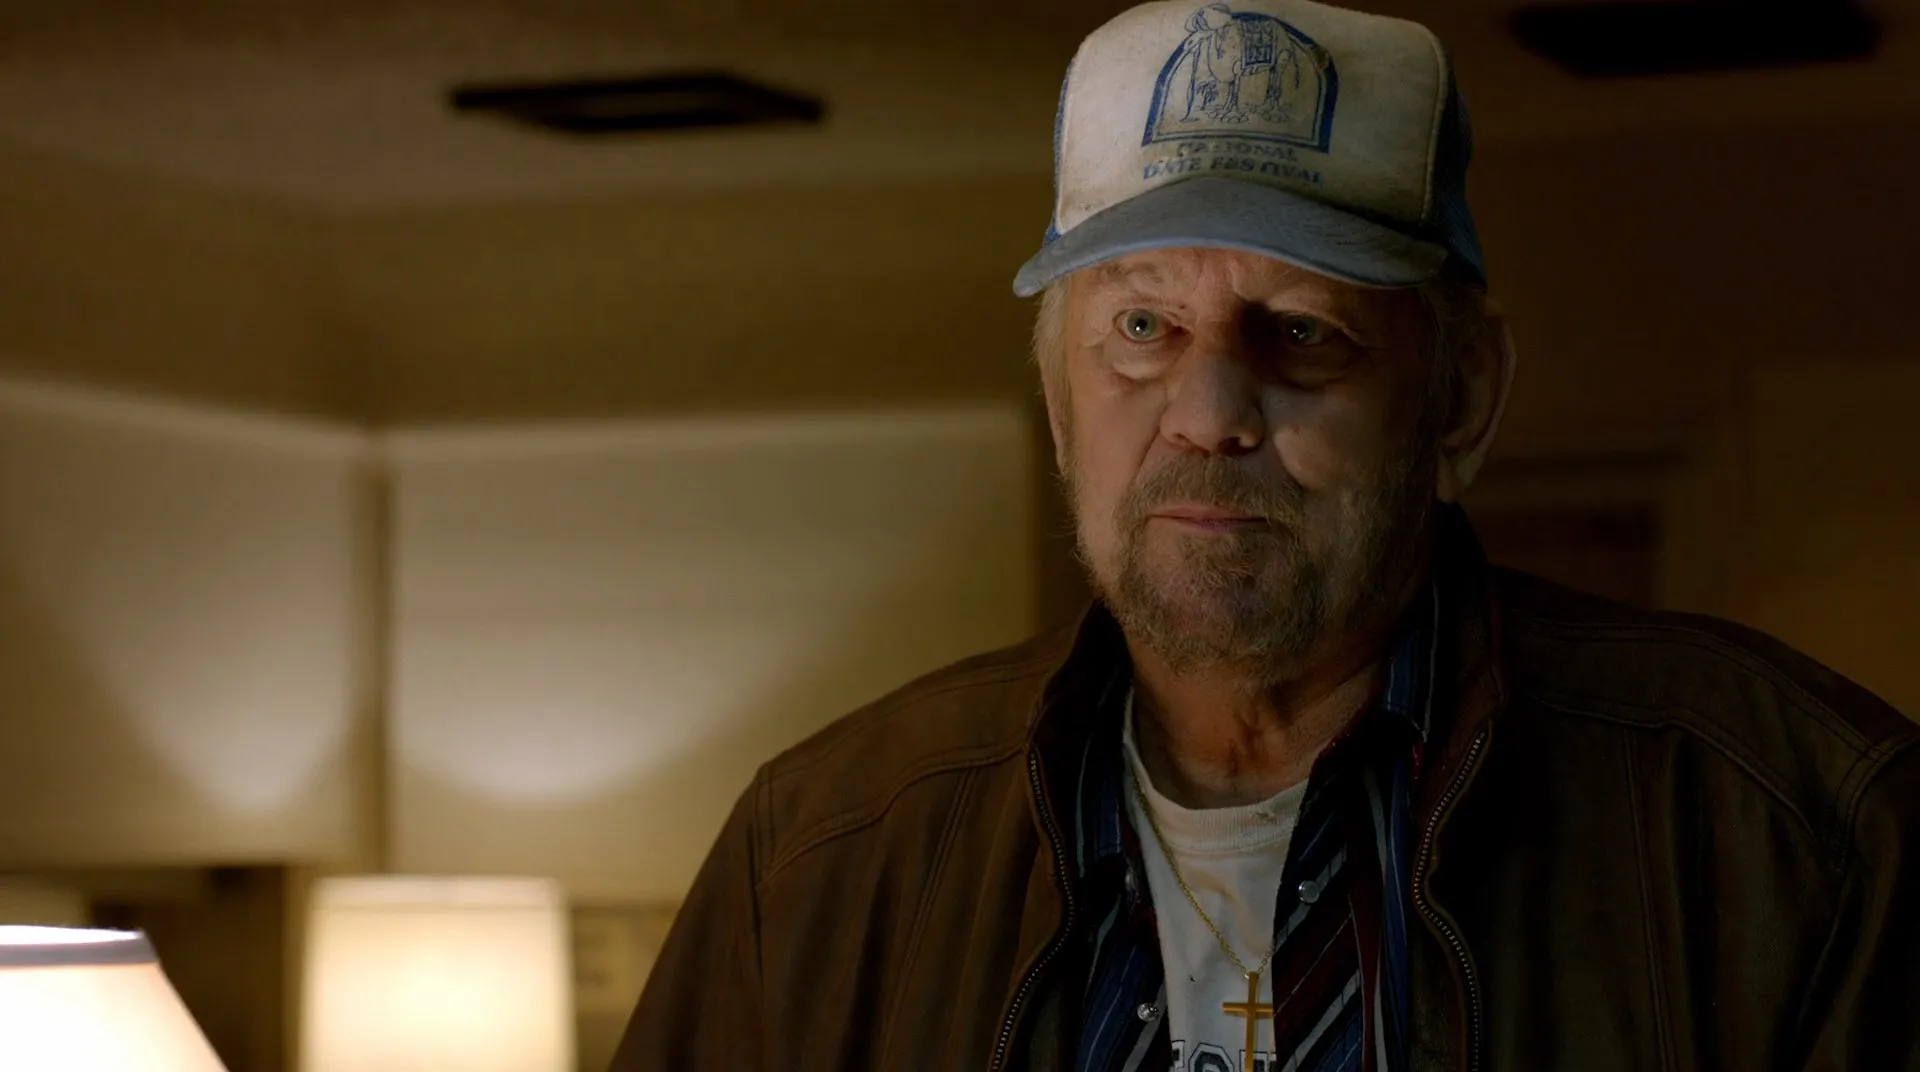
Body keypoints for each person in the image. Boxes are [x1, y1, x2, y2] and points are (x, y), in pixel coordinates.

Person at [611, 0, 1920, 1068]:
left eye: (1301, 330)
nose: (1207, 413)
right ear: (1061, 407)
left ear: (1460, 398)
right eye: (1141, 329)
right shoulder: (822, 854)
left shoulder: (1806, 836)